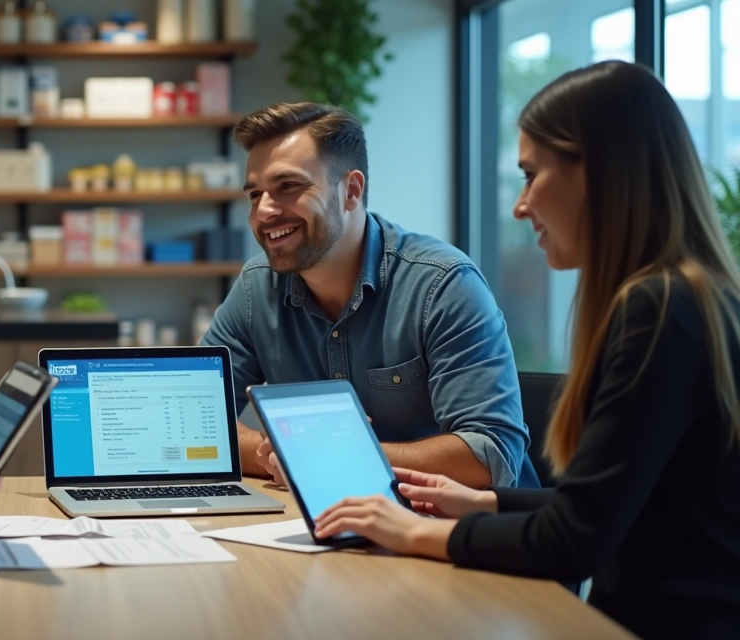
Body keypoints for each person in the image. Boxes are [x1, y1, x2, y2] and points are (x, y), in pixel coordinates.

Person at [314, 61, 740, 638]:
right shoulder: (694, 297)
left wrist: (409, 530)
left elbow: (574, 542)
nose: (520, 206)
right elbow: (609, 508)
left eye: (531, 174)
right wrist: (481, 503)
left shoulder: (659, 311)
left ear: (599, 171)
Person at [202, 102, 535, 489]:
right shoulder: (255, 289)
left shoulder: (443, 284)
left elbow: (490, 457)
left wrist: (331, 454)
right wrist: (294, 454)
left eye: (288, 187)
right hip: (337, 523)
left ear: (352, 190)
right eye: (255, 194)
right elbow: (196, 425)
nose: (263, 212)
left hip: (464, 534)